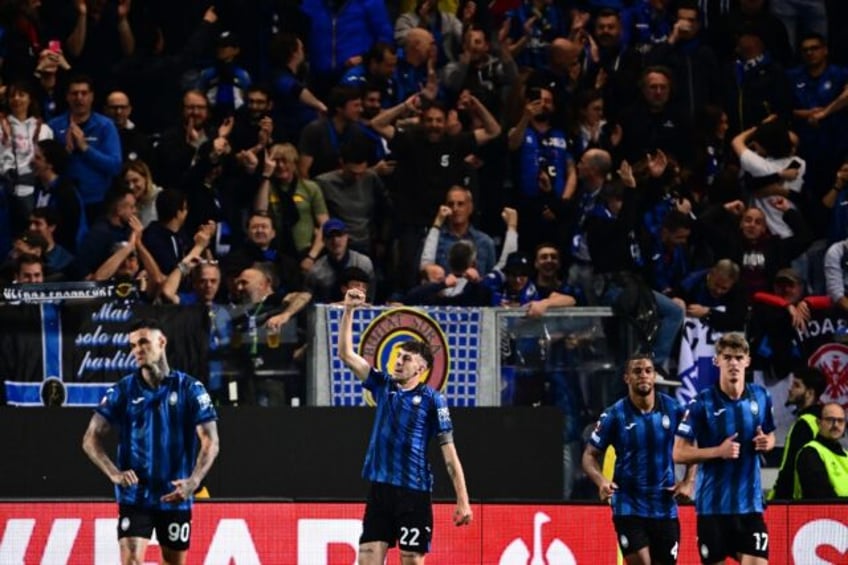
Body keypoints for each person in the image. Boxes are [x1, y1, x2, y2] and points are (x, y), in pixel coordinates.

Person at [338, 288, 472, 563]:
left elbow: (450, 456)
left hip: (413, 492)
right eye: (398, 357)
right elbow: (346, 355)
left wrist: (463, 500)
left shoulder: (433, 401)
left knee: (410, 560)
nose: (398, 362)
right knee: (367, 558)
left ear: (421, 369)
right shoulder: (383, 385)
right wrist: (349, 311)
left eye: (406, 359)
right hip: (380, 490)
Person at [81, 318, 219, 565]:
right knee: (132, 561)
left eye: (143, 342)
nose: (137, 350)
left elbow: (210, 440)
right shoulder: (123, 390)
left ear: (162, 342)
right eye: (133, 345)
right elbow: (90, 438)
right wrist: (114, 473)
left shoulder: (190, 388)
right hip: (135, 496)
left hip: (176, 495)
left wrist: (194, 481)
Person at [673, 332, 776, 565]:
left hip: (750, 506)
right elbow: (678, 452)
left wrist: (766, 443)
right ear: (716, 361)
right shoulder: (701, 403)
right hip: (713, 509)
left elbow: (769, 434)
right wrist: (717, 451)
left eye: (739, 358)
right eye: (727, 357)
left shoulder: (761, 396)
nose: (733, 363)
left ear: (748, 361)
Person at [583, 354, 695, 565]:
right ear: (627, 378)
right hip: (628, 507)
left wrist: (689, 482)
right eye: (637, 371)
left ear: (654, 376)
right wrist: (601, 481)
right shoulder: (614, 415)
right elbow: (589, 455)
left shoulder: (673, 409)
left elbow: (693, 442)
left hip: (665, 507)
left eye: (648, 371)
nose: (643, 375)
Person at [769, 366, 826, 500]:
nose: (790, 389)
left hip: (798, 501)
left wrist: (777, 499)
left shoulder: (804, 425)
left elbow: (789, 468)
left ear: (809, 393)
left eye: (796, 385)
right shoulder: (822, 421)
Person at [794, 402, 848, 499]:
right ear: (818, 423)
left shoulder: (846, 454)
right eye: (830, 420)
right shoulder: (810, 453)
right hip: (824, 513)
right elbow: (821, 498)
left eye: (840, 421)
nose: (835, 425)